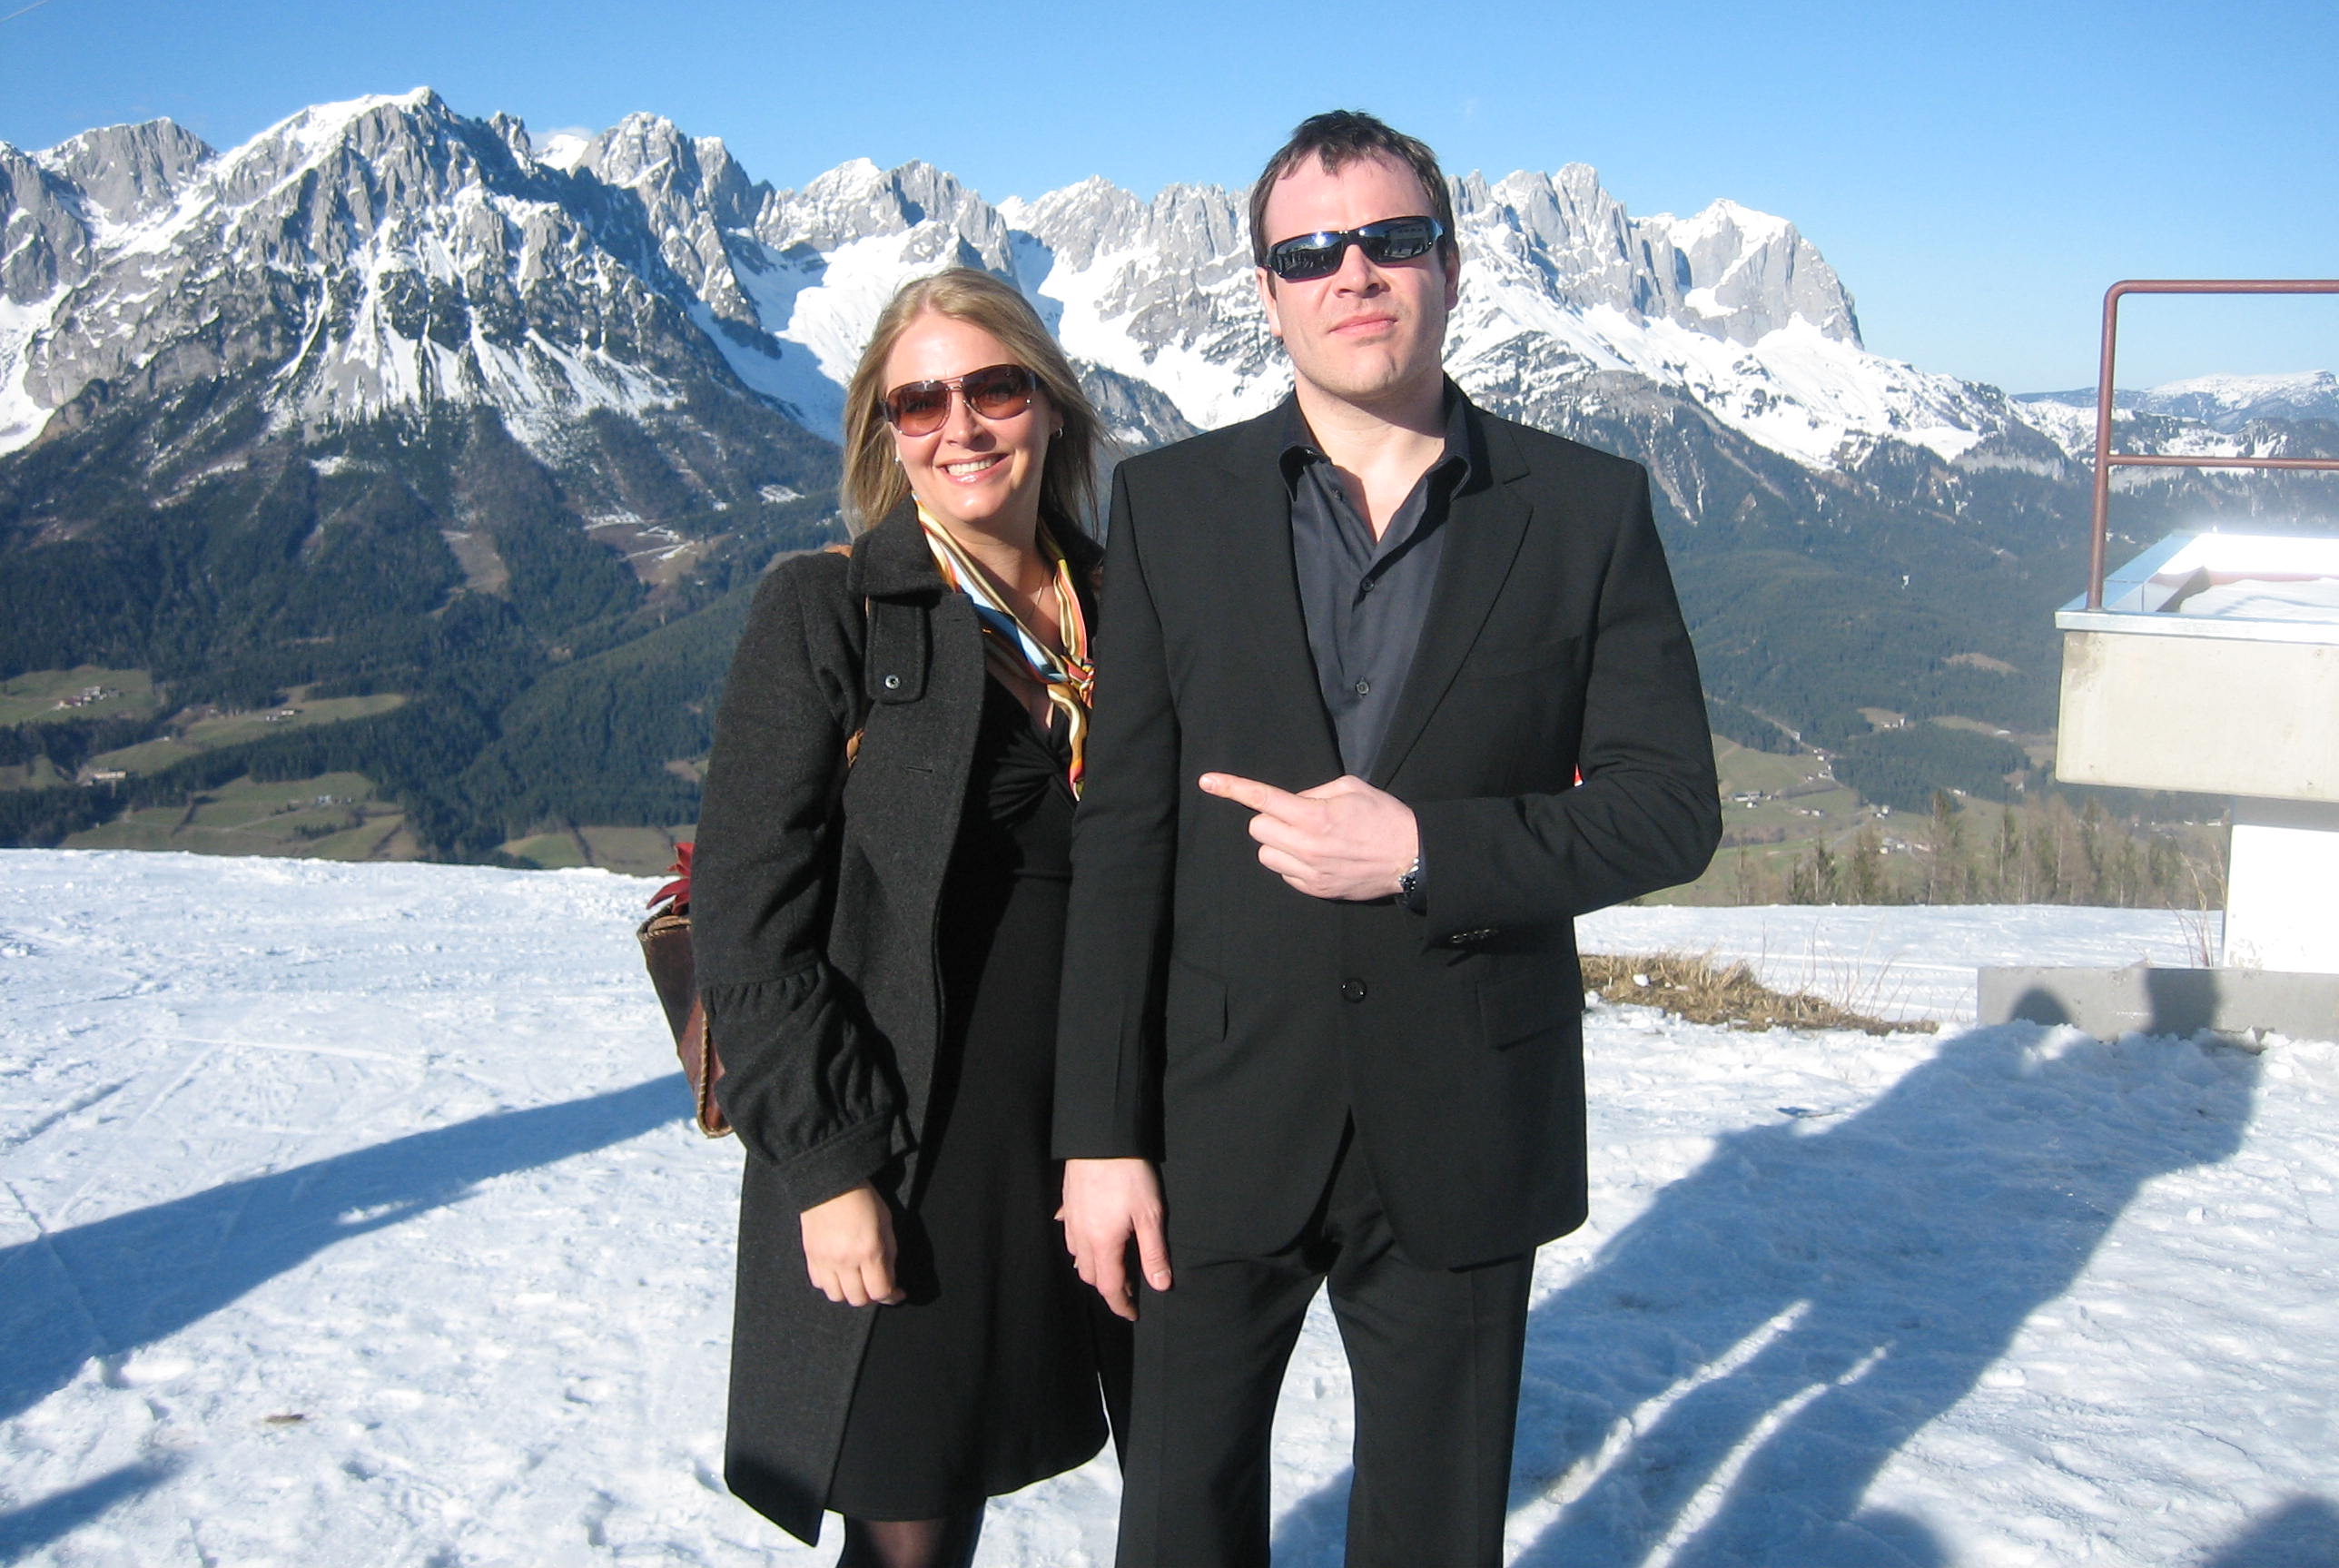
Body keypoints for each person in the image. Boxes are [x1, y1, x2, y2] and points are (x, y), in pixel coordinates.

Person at [1054, 111, 1722, 1568]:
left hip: (1467, 1116)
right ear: (1268, 292)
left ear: (1452, 266)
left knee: (1433, 1539)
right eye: (1311, 253)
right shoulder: (1169, 506)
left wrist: (1427, 850)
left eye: (1391, 239)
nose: (1353, 274)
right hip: (1212, 1119)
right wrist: (1098, 1136)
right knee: (1177, 1529)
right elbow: (1124, 844)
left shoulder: (1586, 510)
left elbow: (1672, 808)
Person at [694, 268, 1127, 1568]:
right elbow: (746, 924)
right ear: (884, 434)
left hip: (1092, 1140)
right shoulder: (828, 613)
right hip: (909, 1148)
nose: (961, 426)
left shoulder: (1126, 604)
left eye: (993, 388)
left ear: (1050, 404)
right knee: (909, 1532)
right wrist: (829, 1170)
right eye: (919, 402)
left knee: (1028, 1483)